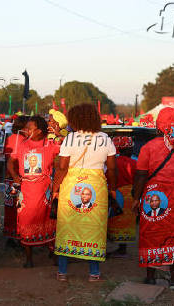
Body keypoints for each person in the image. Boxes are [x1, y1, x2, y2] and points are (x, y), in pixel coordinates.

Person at [132, 107, 174, 288]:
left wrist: (136, 199)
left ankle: (151, 276)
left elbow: (141, 176)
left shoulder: (148, 148)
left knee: (151, 234)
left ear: (158, 126)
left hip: (153, 196)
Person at [52, 104, 117, 282]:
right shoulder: (105, 139)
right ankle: (94, 273)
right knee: (95, 228)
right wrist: (112, 189)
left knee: (66, 225)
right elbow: (112, 169)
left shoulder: (70, 139)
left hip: (71, 186)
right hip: (97, 186)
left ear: (75, 119)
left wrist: (54, 189)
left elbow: (62, 167)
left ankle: (62, 272)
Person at [7, 116, 59, 268]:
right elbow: (10, 162)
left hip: (44, 191)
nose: (26, 130)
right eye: (26, 128)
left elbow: (64, 156)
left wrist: (57, 134)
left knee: (50, 221)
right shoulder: (21, 144)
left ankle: (55, 254)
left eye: (30, 128)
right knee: (25, 221)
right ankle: (29, 259)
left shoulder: (50, 144)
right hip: (26, 191)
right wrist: (15, 176)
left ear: (39, 130)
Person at [3, 116, 28, 240]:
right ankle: (18, 235)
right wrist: (16, 176)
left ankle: (10, 236)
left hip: (9, 178)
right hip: (17, 177)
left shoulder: (9, 138)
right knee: (20, 208)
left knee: (10, 209)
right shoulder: (23, 140)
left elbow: (6, 157)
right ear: (23, 127)